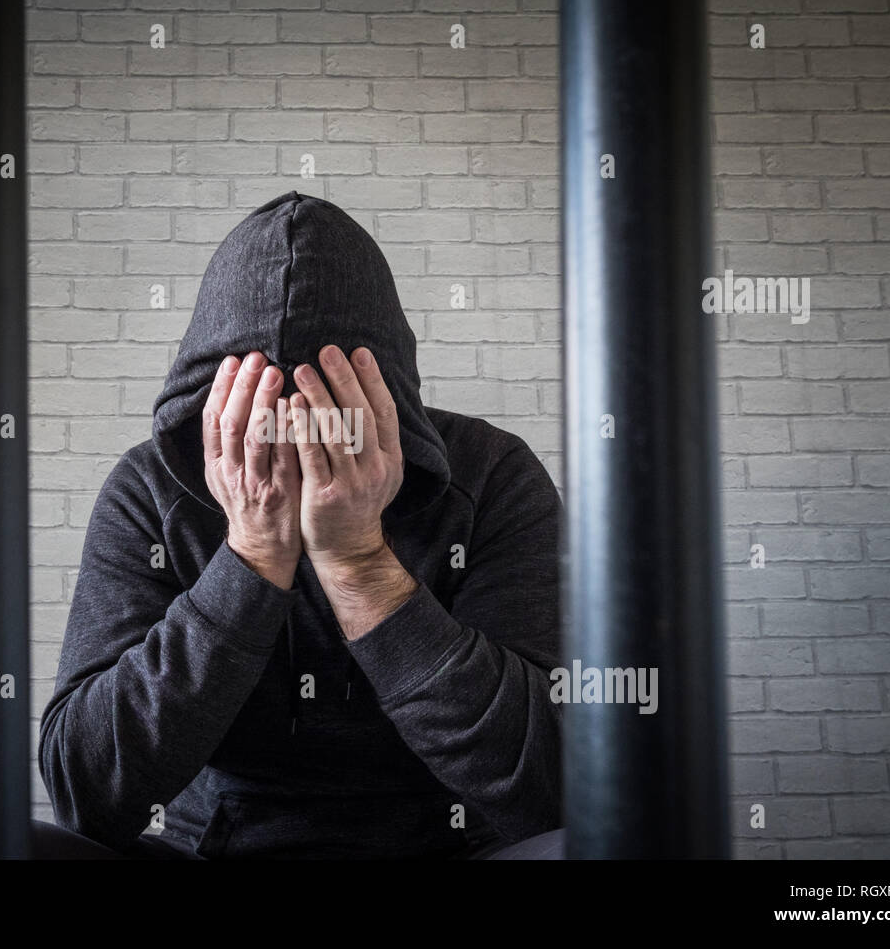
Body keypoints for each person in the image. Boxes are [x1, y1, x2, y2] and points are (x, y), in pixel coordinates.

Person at [36, 191, 564, 859]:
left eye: (326, 415)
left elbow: (554, 788)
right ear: (214, 410)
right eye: (266, 418)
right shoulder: (150, 488)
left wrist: (360, 563)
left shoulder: (492, 475)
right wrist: (251, 557)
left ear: (383, 401)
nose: (299, 448)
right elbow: (86, 793)